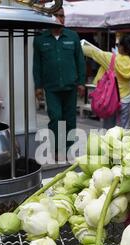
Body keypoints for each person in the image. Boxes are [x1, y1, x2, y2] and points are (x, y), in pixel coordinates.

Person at [33, 7, 86, 155]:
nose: (60, 18)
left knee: (70, 120)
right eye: (56, 15)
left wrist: (81, 82)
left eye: (62, 16)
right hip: (51, 87)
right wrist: (38, 86)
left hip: (71, 85)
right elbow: (37, 65)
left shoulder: (73, 36)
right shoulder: (40, 39)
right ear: (50, 17)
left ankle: (68, 148)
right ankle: (57, 149)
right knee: (56, 118)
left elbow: (80, 61)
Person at [82, 34, 130, 129]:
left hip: (109, 98)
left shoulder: (111, 58)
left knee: (108, 127)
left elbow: (93, 52)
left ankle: (108, 142)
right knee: (123, 128)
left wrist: (76, 45)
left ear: (121, 47)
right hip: (126, 99)